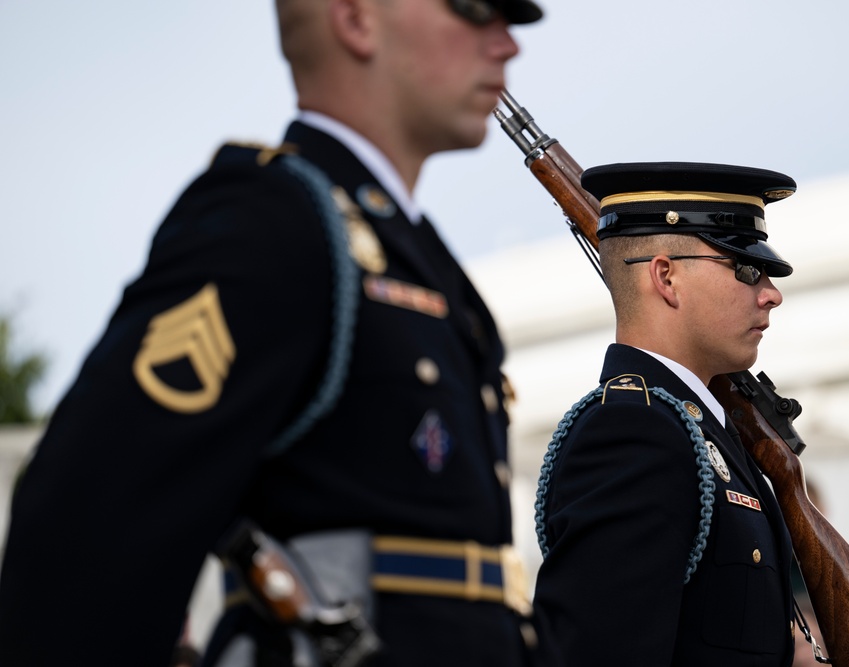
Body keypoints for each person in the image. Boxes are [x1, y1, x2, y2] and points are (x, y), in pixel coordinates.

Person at [0, 0, 543, 665]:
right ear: (355, 19)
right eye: (474, 10)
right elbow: (84, 519)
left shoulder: (417, 255)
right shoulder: (277, 221)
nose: (507, 44)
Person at [529, 162, 849, 667]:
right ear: (666, 277)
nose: (771, 292)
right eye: (746, 269)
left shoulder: (717, 439)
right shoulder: (634, 431)